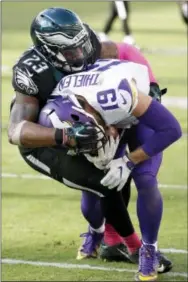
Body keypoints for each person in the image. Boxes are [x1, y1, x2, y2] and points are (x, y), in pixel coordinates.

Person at [8, 6, 170, 274]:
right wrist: (65, 136)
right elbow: (16, 131)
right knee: (103, 184)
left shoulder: (87, 44)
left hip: (86, 122)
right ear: (49, 51)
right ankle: (131, 246)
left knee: (116, 173)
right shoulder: (32, 70)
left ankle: (107, 238)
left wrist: (149, 83)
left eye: (82, 46)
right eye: (72, 51)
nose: (82, 55)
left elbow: (125, 52)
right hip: (45, 141)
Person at [37, 58, 182, 281]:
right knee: (95, 180)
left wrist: (129, 160)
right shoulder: (56, 105)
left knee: (145, 179)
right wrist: (76, 140)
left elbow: (171, 129)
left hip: (136, 116)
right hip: (103, 117)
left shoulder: (116, 94)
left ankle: (149, 250)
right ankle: (96, 231)